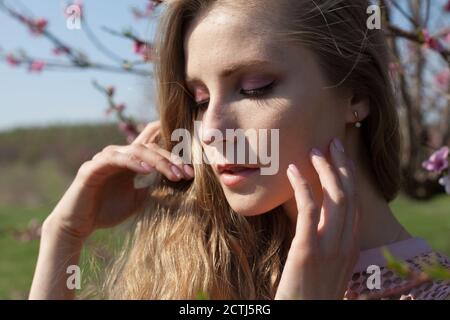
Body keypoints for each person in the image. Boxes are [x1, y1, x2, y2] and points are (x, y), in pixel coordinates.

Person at [29, 0, 450, 300]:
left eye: (254, 89)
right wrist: (63, 237)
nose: (209, 130)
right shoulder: (208, 271)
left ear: (356, 93)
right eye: (199, 100)